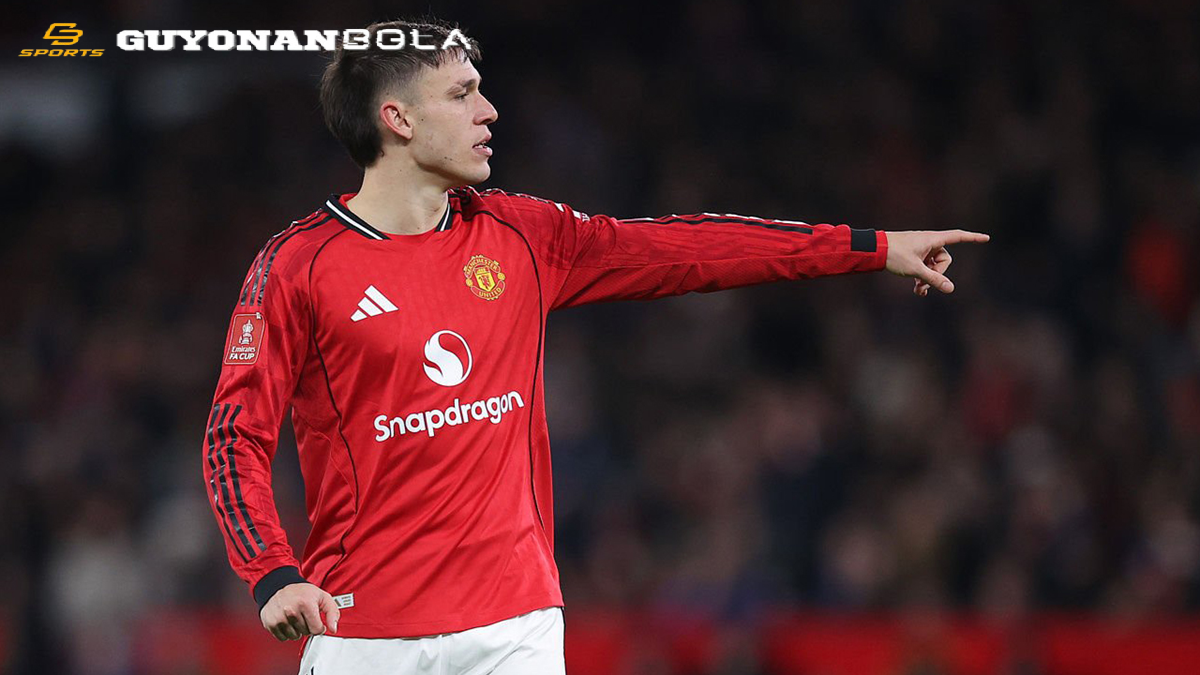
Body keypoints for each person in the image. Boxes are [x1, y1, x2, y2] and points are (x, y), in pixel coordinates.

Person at [201, 17, 989, 675]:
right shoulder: (298, 267)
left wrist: (869, 247)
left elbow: (688, 248)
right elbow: (234, 437)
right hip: (365, 632)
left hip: (515, 627)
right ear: (397, 119)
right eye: (463, 93)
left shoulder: (521, 235)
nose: (490, 111)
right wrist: (271, 571)